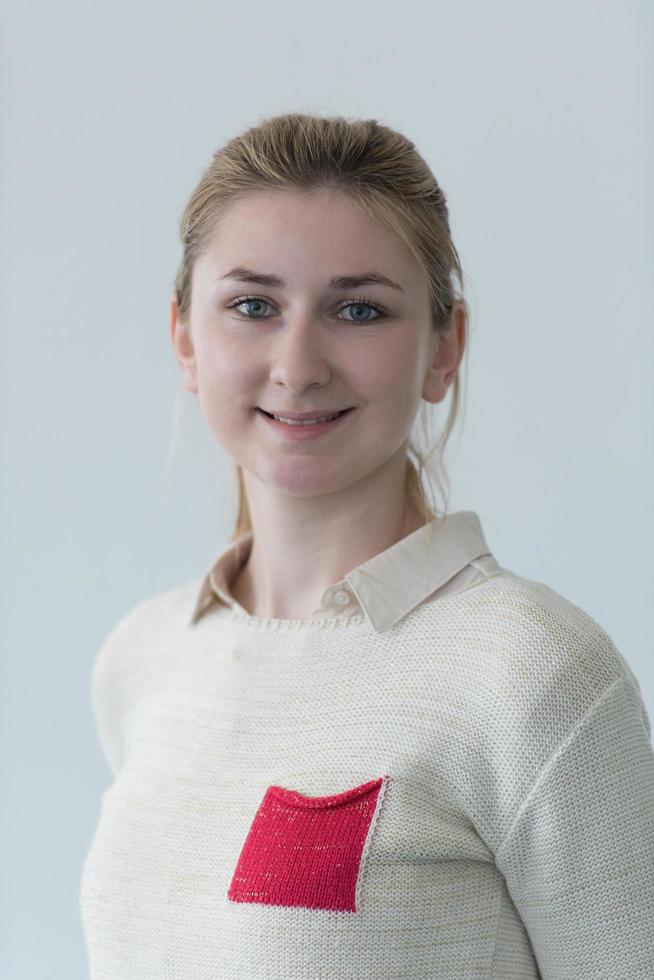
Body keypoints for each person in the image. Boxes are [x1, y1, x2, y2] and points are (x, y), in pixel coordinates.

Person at [80, 113, 654, 979]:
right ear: (186, 340)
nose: (299, 364)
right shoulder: (146, 658)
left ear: (444, 347)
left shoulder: (536, 676)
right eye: (252, 306)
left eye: (358, 309)